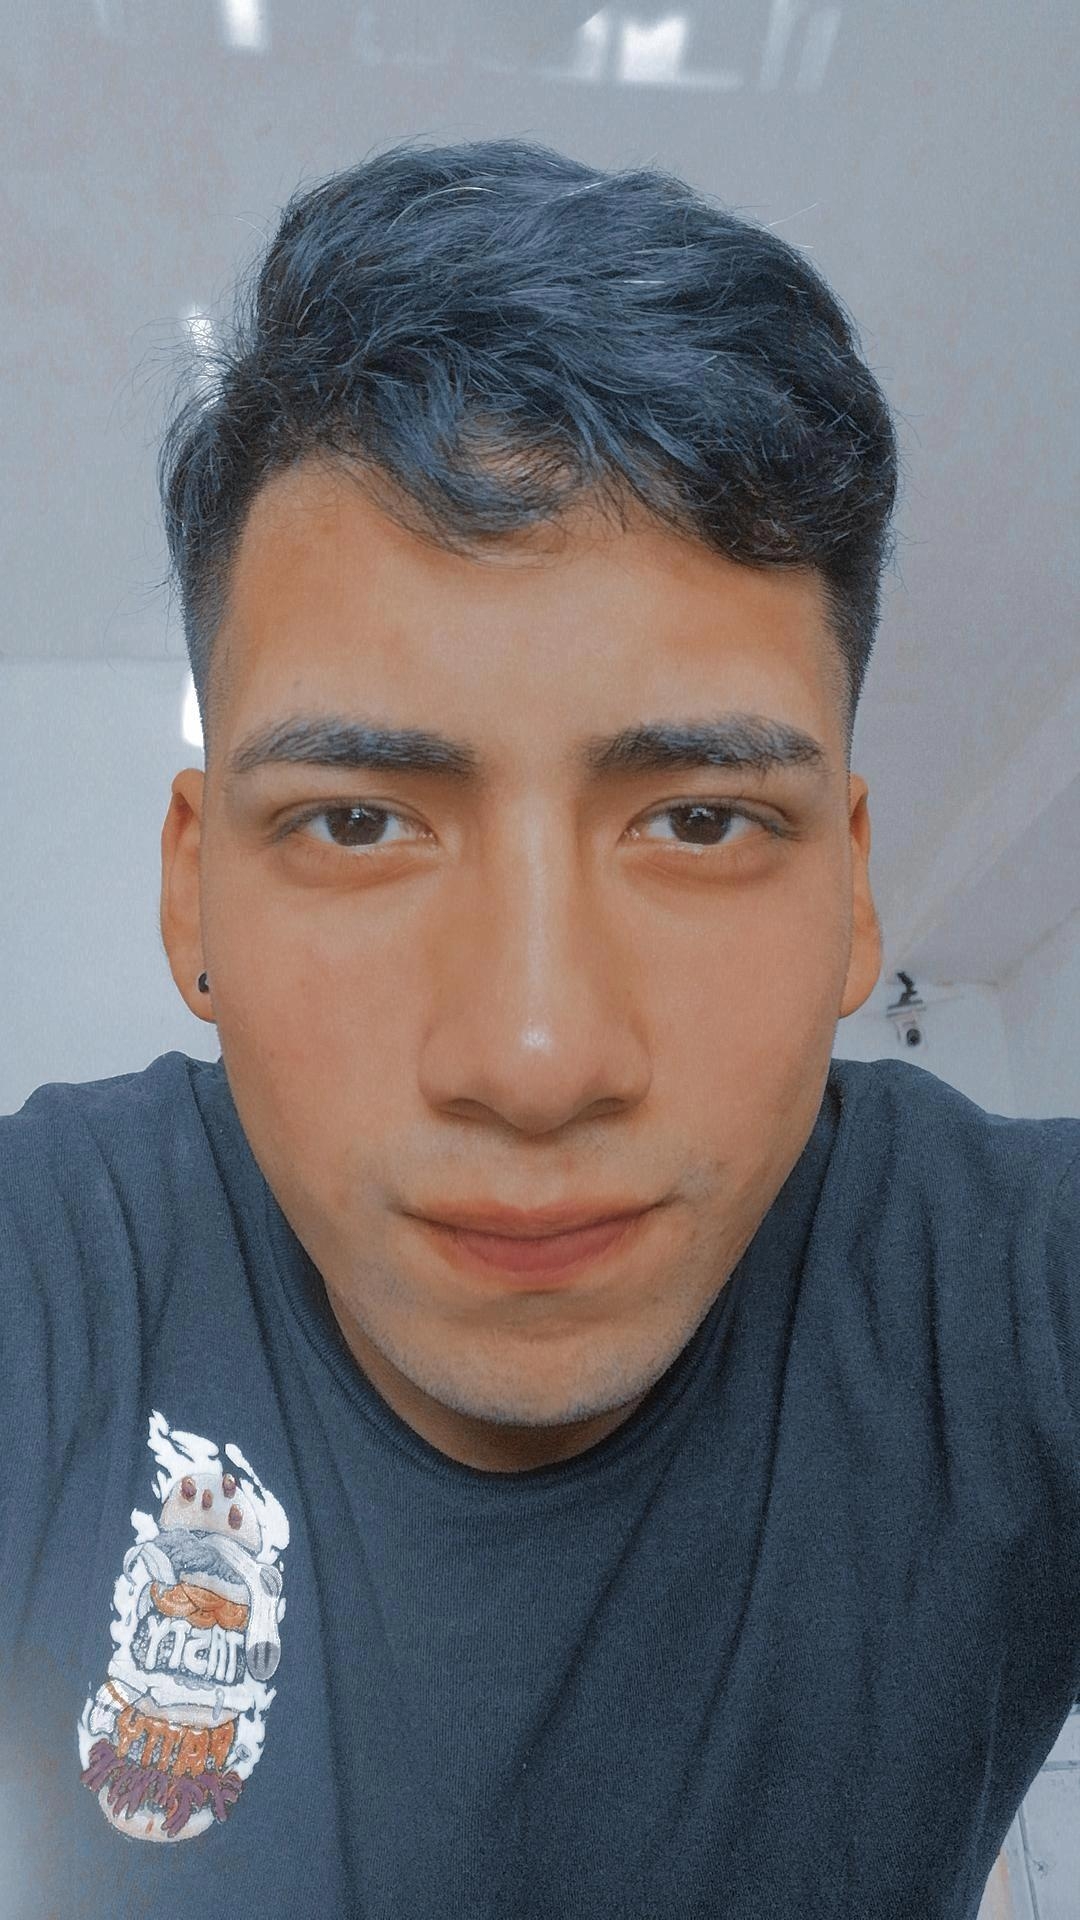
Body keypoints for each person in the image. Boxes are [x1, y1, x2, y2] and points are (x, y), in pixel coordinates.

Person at [1, 135, 1077, 1918]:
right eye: (358, 821)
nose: (535, 1059)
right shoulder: (51, 1272)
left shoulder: (1008, 1300)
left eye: (700, 821)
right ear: (194, 893)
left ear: (853, 894)